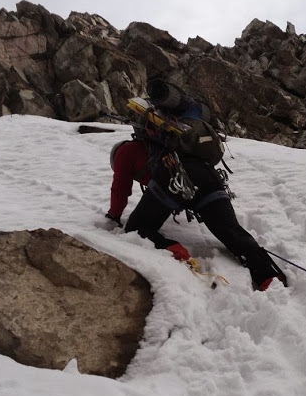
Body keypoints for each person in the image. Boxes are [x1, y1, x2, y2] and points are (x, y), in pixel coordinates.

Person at [105, 93, 287, 291]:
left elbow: (120, 188)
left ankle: (175, 251)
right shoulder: (178, 146)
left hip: (172, 172)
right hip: (209, 175)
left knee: (137, 227)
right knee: (232, 231)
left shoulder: (125, 151)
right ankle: (269, 276)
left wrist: (114, 215)